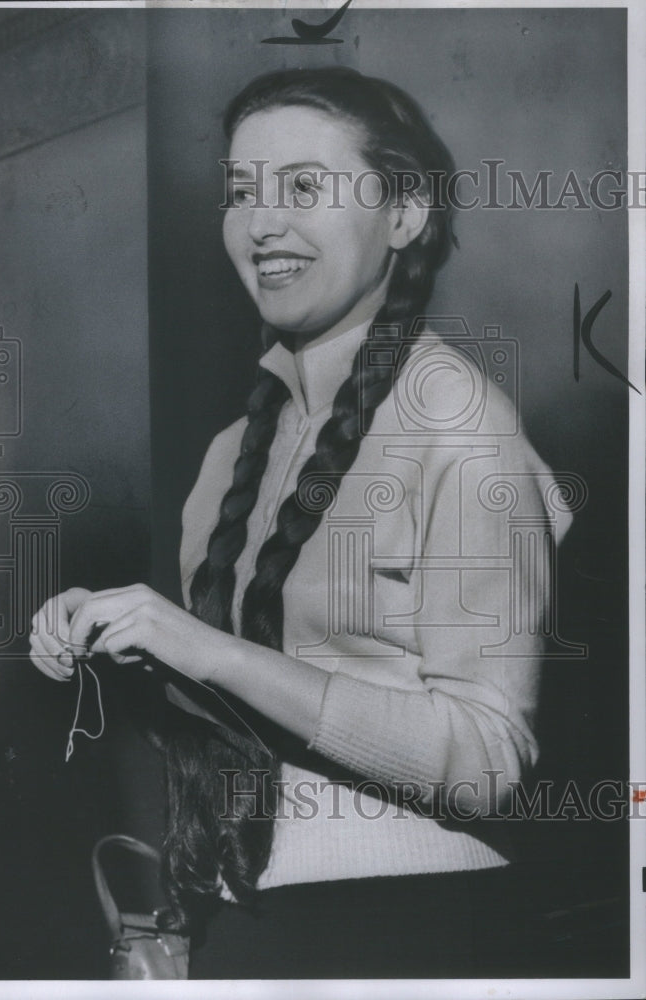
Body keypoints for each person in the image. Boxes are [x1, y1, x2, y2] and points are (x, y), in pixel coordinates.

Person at [29, 67, 572, 978]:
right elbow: (251, 718)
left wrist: (212, 653)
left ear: (405, 217)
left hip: (409, 928)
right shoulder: (228, 453)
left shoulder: (464, 428)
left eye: (303, 187)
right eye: (241, 191)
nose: (261, 222)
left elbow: (486, 761)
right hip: (244, 923)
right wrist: (120, 649)